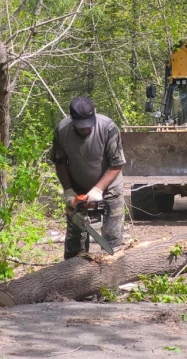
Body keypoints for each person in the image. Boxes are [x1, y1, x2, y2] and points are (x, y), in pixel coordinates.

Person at [50, 96, 126, 259]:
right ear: (72, 120)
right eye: (81, 126)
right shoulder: (62, 130)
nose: (85, 129)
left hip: (110, 188)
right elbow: (60, 162)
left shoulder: (108, 127)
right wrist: (69, 191)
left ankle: (113, 277)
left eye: (88, 125)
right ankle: (73, 276)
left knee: (113, 239)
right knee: (74, 242)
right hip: (78, 189)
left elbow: (116, 164)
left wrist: (98, 190)